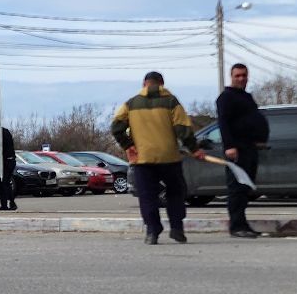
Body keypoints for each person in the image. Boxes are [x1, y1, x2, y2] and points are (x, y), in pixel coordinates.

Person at [111, 70, 206, 245]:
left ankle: (152, 232)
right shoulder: (171, 101)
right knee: (176, 193)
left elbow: (116, 127)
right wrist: (194, 149)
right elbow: (183, 129)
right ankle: (177, 228)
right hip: (169, 157)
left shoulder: (131, 104)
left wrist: (128, 145)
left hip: (143, 159)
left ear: (144, 84)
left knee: (147, 196)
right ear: (162, 84)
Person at [215, 62, 271, 238]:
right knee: (236, 189)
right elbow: (223, 123)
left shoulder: (246, 97)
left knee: (246, 188)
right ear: (231, 77)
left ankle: (243, 223)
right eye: (237, 75)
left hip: (250, 148)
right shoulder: (226, 97)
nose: (241, 78)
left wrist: (259, 139)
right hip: (236, 150)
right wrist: (229, 147)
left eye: (244, 75)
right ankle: (236, 226)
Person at [0, 125, 18, 211]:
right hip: (10, 160)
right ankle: (9, 203)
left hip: (5, 161)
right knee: (6, 182)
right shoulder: (5, 131)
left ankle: (6, 204)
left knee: (2, 183)